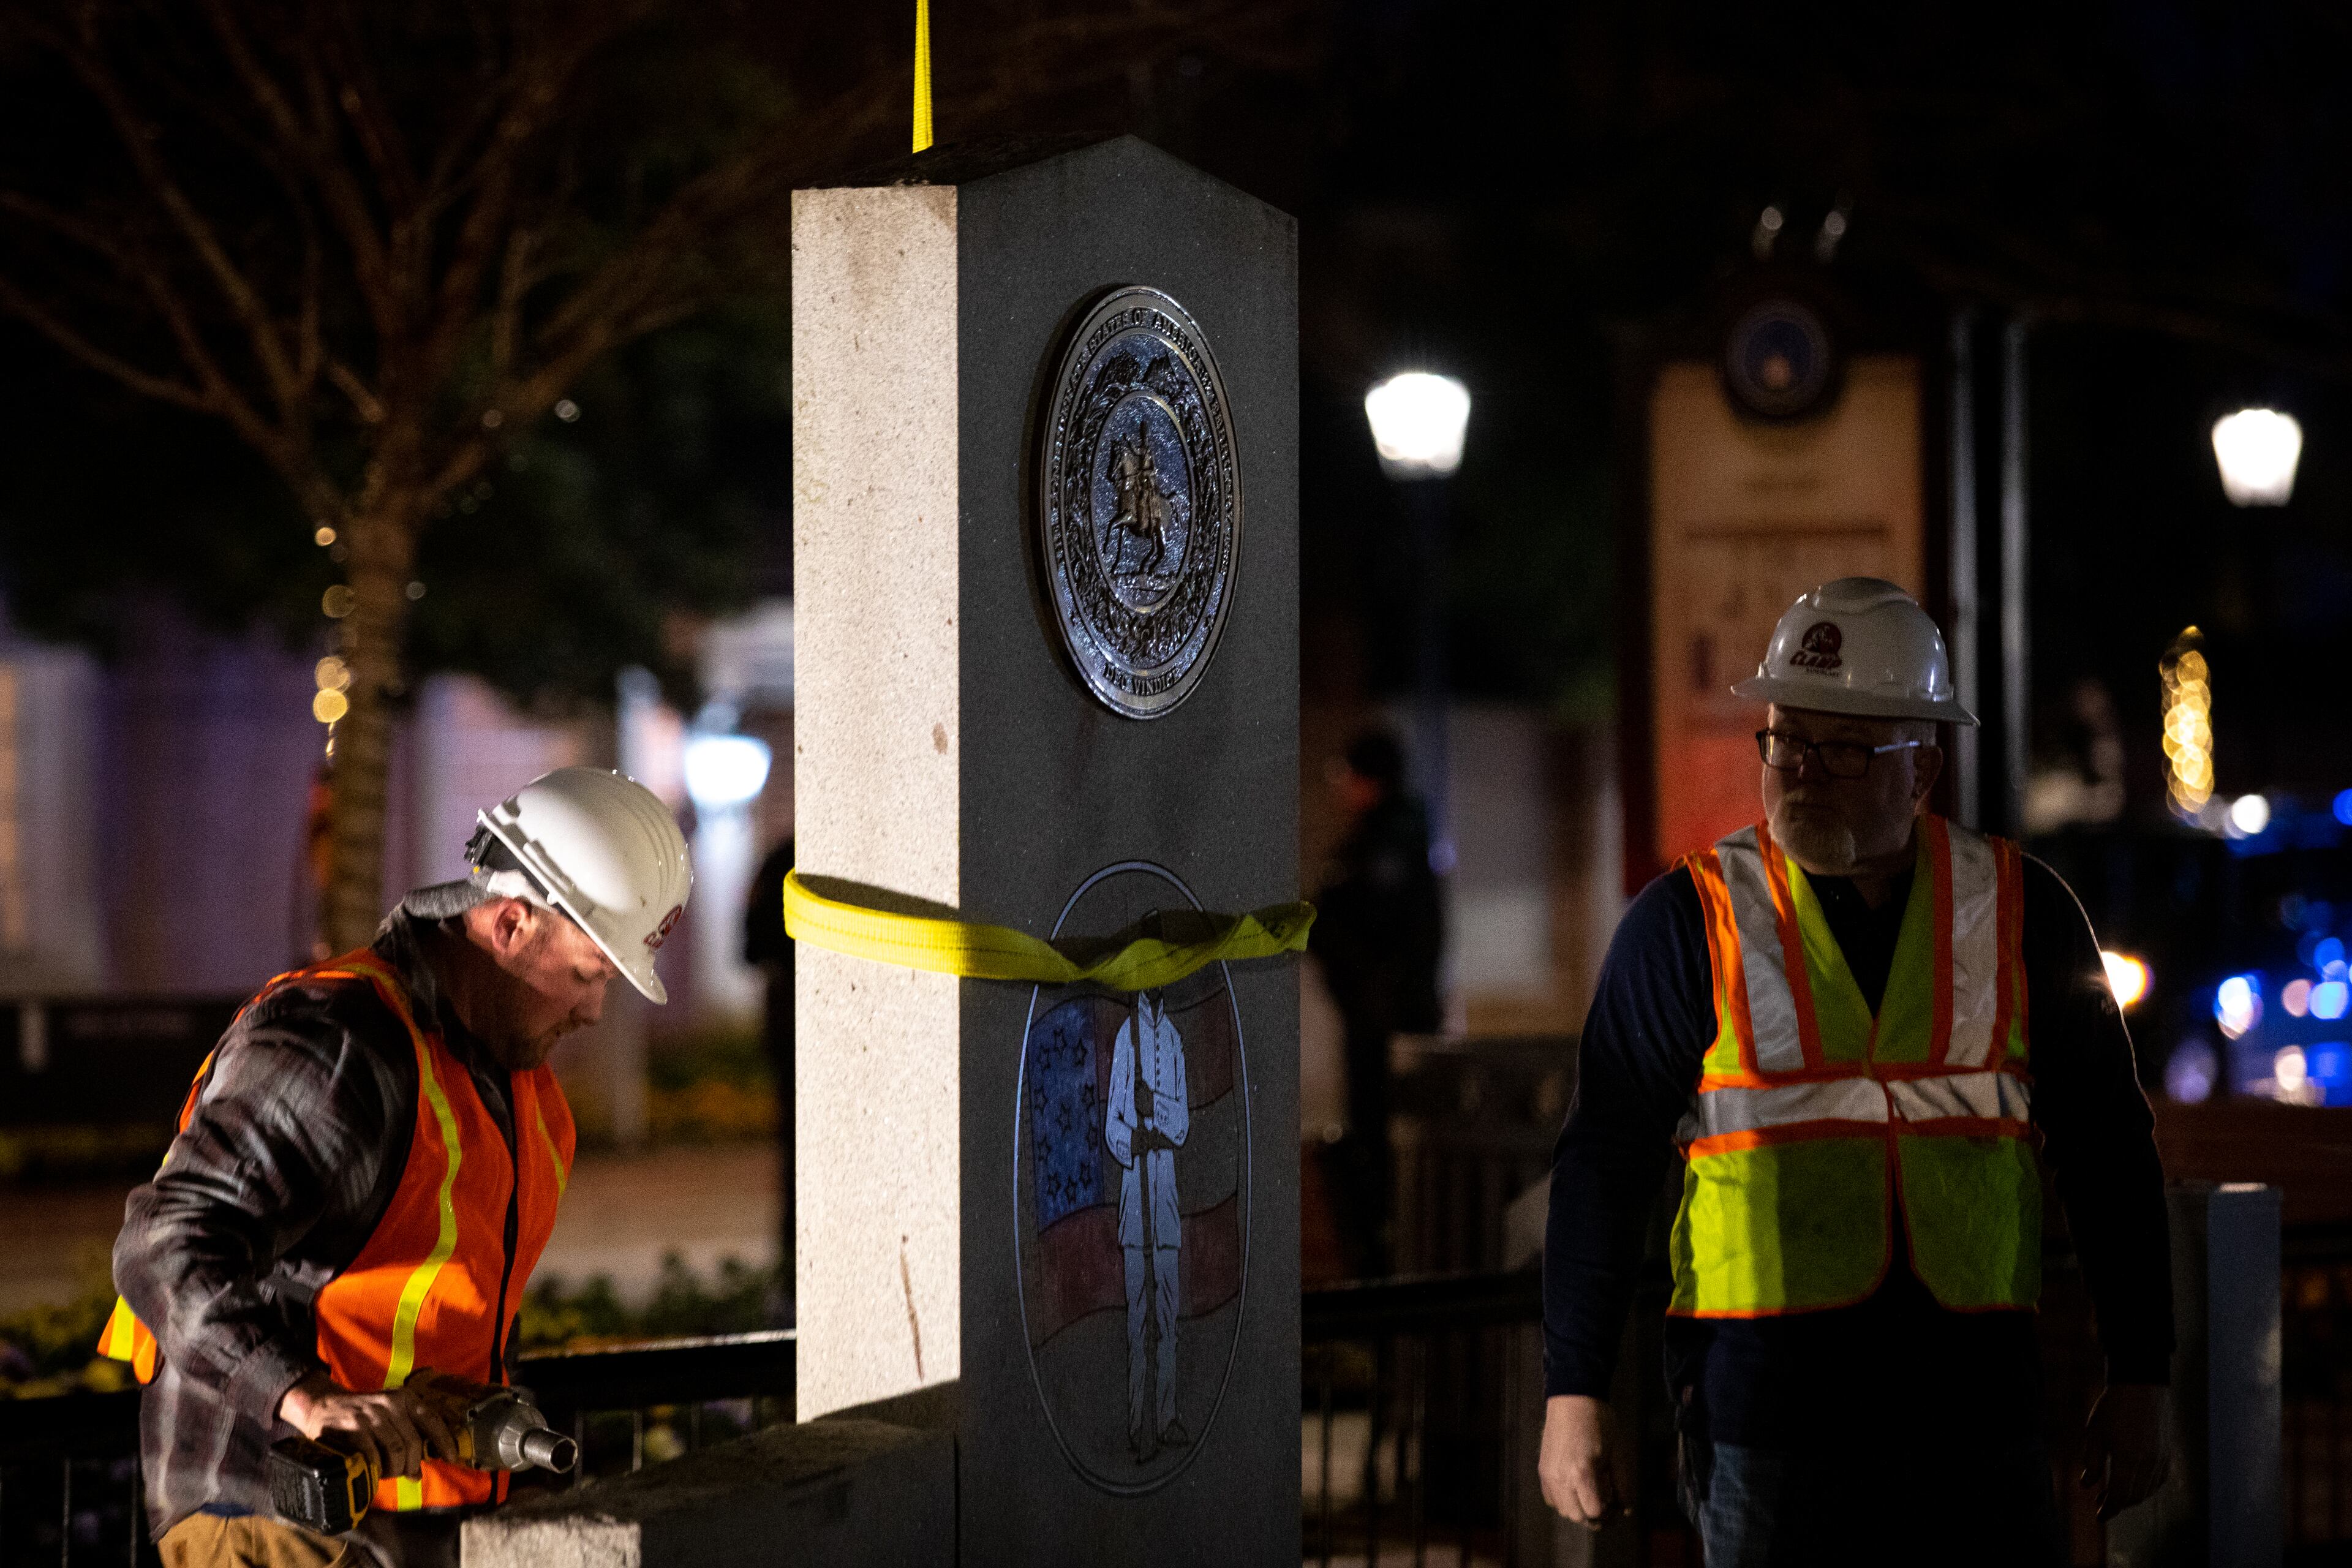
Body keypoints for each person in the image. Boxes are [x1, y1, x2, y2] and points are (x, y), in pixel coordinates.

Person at [1536, 579, 2174, 1566]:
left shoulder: (2023, 911)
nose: (1799, 773)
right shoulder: (1685, 925)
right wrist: (1574, 1390)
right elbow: (1602, 1168)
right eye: (1783, 741)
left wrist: (2143, 1372)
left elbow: (2110, 1153)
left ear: (1923, 765)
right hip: (1764, 1427)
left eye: (1841, 750)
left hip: (1979, 1425)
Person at [101, 767, 692, 1568]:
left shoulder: (514, 1086)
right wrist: (303, 1397)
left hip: (412, 1518)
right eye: (590, 974)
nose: (593, 1011)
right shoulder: (339, 1042)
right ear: (511, 924)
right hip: (271, 1512)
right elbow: (166, 1245)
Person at [1310, 728, 1444, 1276]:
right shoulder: (1386, 841)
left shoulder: (1387, 848)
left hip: (1386, 1028)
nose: (1342, 789)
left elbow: (1372, 934)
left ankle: (1391, 1262)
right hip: (1380, 1022)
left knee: (1386, 1151)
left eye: (1348, 776)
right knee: (1380, 1148)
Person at [1107, 989, 1190, 1460]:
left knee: (1168, 1318)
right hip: (1135, 1199)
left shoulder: (1173, 1040)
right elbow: (1112, 1125)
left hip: (1165, 1199)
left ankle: (1167, 1415)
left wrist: (1152, 1101)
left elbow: (1180, 1126)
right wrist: (1133, 1139)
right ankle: (1139, 1425)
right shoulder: (1127, 1038)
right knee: (1137, 1319)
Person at [744, 836, 797, 1293]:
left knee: (796, 1158)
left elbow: (749, 947)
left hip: (789, 1025)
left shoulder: (782, 860)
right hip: (793, 1027)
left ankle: (793, 1276)